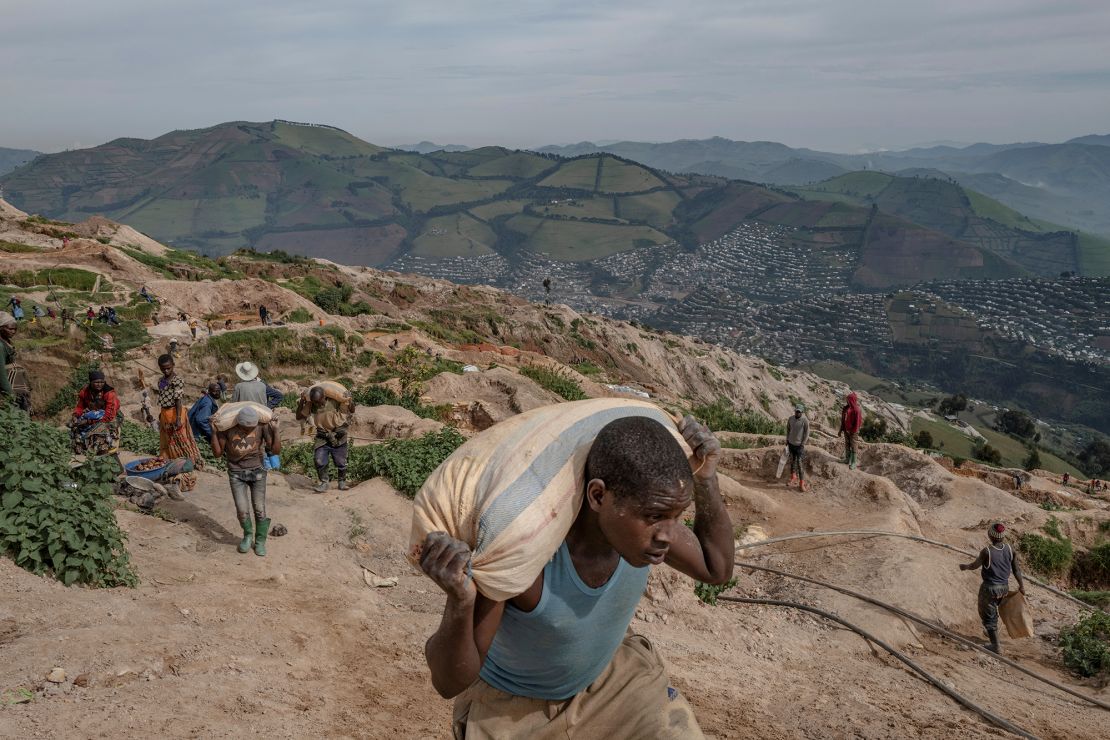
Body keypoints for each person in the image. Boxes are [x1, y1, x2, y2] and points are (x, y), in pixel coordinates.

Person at [419, 416, 732, 739]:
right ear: (598, 496)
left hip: (613, 684)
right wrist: (460, 601)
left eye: (675, 517)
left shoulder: (646, 534)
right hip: (515, 711)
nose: (668, 534)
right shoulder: (526, 558)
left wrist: (707, 480)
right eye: (655, 516)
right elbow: (447, 681)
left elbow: (716, 567)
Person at [211, 405, 281, 557]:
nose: (249, 430)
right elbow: (217, 454)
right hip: (236, 472)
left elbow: (275, 451)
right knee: (242, 510)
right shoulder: (228, 428)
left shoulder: (261, 426)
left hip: (258, 472)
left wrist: (275, 430)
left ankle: (260, 540)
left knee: (259, 509)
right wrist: (214, 432)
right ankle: (248, 535)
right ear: (238, 423)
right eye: (245, 427)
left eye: (252, 428)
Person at [959, 522, 1026, 655]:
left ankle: (995, 646)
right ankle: (991, 631)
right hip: (1004, 588)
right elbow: (1017, 570)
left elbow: (974, 565)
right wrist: (1022, 586)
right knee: (993, 611)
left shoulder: (987, 552)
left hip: (990, 589)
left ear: (990, 535)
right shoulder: (1010, 549)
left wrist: (965, 567)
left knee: (987, 614)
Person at [155, 354, 204, 489]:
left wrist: (177, 419)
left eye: (168, 368)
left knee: (180, 442)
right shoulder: (161, 381)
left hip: (175, 413)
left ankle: (186, 468)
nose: (166, 371)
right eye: (163, 369)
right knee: (167, 442)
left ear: (173, 366)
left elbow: (178, 401)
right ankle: (170, 467)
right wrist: (161, 415)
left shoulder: (177, 381)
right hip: (165, 413)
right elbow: (163, 397)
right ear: (160, 368)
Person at [296, 385, 353, 492]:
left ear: (325, 396)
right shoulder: (312, 405)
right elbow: (299, 416)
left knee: (341, 461)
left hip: (338, 434)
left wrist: (350, 399)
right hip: (322, 436)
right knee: (319, 459)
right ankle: (324, 482)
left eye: (319, 401)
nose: (318, 404)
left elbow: (351, 409)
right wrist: (302, 401)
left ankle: (342, 482)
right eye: (315, 402)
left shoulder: (334, 401)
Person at [69, 369, 122, 465]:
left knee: (100, 430)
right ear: (91, 382)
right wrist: (76, 415)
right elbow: (80, 407)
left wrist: (89, 422)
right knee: (75, 428)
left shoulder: (109, 393)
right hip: (94, 416)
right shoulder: (85, 392)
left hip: (110, 417)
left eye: (102, 382)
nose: (99, 384)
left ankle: (103, 453)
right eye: (96, 382)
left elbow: (109, 416)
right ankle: (82, 450)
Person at [1, 312, 31, 411]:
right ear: (1, 328)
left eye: (15, 329)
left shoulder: (6, 342)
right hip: (6, 388)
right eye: (10, 329)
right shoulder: (0, 346)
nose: (13, 331)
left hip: (12, 384)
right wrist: (10, 394)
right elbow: (1, 374)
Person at [785, 403, 810, 491]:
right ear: (795, 411)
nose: (797, 413)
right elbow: (788, 429)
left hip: (799, 446)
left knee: (799, 464)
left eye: (799, 412)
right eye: (796, 411)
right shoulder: (790, 419)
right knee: (792, 462)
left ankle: (802, 483)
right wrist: (787, 440)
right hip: (791, 444)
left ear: (802, 412)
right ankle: (793, 477)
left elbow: (807, 433)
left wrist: (803, 443)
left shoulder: (805, 421)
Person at [838, 392, 863, 470]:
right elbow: (843, 420)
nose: (847, 401)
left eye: (848, 399)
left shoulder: (856, 410)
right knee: (847, 444)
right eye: (847, 399)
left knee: (853, 446)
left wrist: (852, 431)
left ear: (852, 400)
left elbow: (858, 423)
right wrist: (841, 430)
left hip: (853, 432)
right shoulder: (845, 408)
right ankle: (847, 459)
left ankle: (853, 462)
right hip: (846, 430)